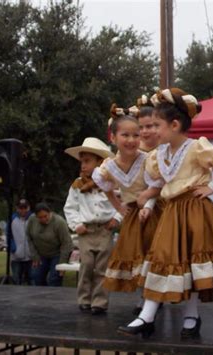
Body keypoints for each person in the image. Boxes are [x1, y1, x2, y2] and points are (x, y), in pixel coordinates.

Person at [117, 88, 213, 339]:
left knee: (193, 265)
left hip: (195, 211)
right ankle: (148, 316)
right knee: (162, 260)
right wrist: (149, 206)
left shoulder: (196, 148)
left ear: (174, 125)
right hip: (173, 212)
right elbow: (160, 186)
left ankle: (189, 316)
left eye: (156, 125)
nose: (151, 131)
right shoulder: (158, 155)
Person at [92, 104, 163, 301]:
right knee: (136, 255)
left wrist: (147, 200)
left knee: (154, 253)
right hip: (133, 214)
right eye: (125, 135)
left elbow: (158, 185)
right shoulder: (108, 167)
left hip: (155, 210)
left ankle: (155, 299)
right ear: (113, 138)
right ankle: (144, 299)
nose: (132, 140)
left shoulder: (148, 160)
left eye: (136, 135)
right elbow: (106, 187)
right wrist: (118, 207)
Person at [64, 137, 122, 315]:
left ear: (99, 162)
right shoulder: (77, 185)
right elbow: (70, 207)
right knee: (87, 265)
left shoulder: (111, 183)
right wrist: (76, 224)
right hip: (86, 231)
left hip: (104, 230)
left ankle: (100, 302)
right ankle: (84, 299)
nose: (83, 165)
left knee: (102, 268)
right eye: (81, 161)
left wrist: (117, 219)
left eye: (87, 161)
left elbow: (123, 202)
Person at [27, 202, 73, 287]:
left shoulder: (59, 222)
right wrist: (34, 255)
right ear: (36, 216)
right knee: (36, 276)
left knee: (54, 279)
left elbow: (66, 243)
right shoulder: (32, 220)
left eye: (45, 216)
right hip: (41, 254)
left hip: (57, 254)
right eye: (40, 217)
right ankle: (40, 297)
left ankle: (54, 298)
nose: (44, 219)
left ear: (50, 213)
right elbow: (29, 237)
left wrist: (62, 263)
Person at [9, 199, 33, 285]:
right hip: (16, 257)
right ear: (17, 208)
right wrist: (13, 248)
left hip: (31, 256)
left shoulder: (33, 219)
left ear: (28, 208)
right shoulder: (12, 219)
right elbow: (8, 235)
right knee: (16, 279)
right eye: (20, 208)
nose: (23, 210)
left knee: (32, 279)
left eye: (25, 208)